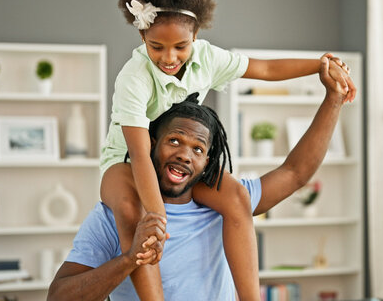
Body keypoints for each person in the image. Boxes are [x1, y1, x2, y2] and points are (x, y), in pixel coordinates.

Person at [100, 0, 356, 299]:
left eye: (180, 46)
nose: (169, 57)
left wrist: (321, 64)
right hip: (126, 162)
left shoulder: (208, 58)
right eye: (156, 47)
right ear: (142, 38)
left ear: (195, 37)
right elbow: (137, 154)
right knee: (137, 216)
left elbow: (265, 68)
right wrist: (158, 215)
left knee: (237, 197)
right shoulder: (133, 78)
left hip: (176, 161)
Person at [48, 57, 349, 300]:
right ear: (151, 144)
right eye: (175, 141)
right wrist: (128, 259)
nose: (185, 155)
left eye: (197, 149)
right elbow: (58, 297)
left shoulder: (225, 206)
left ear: (207, 163)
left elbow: (295, 173)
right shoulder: (111, 216)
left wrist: (334, 98)